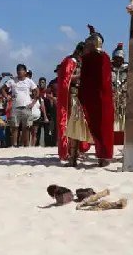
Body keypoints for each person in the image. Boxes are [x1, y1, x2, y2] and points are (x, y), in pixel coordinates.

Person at [78, 25, 114, 166]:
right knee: (96, 128)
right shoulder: (90, 58)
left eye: (88, 43)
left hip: (101, 98)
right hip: (92, 97)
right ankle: (101, 155)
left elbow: (101, 80)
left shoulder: (102, 57)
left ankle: (104, 156)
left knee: (103, 128)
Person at [55, 43, 84, 162]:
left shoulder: (79, 61)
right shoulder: (69, 61)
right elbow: (67, 78)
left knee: (78, 123)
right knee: (71, 123)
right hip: (71, 95)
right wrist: (81, 75)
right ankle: (68, 151)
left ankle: (76, 151)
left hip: (79, 95)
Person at [4, 64, 39, 148]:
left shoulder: (29, 81)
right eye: (18, 70)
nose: (19, 71)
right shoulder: (12, 81)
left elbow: (37, 91)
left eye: (21, 70)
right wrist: (6, 96)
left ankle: (26, 145)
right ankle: (14, 145)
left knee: (26, 127)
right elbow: (2, 88)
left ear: (25, 72)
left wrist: (33, 103)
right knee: (14, 127)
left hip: (26, 107)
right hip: (15, 107)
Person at [111, 43, 128, 144]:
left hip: (123, 97)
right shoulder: (109, 68)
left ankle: (122, 138)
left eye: (120, 59)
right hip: (112, 97)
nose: (118, 61)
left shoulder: (127, 68)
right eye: (116, 58)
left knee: (123, 116)